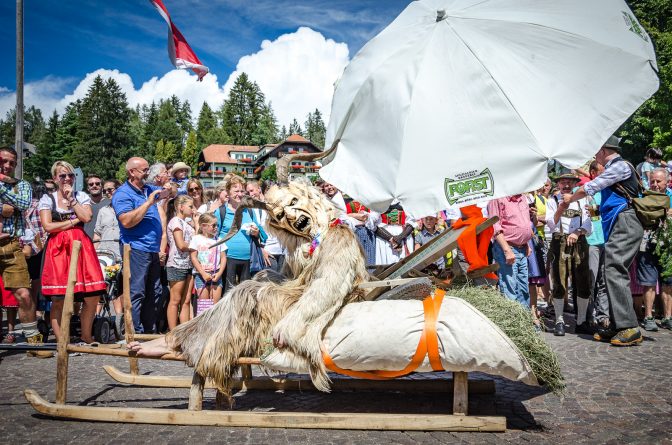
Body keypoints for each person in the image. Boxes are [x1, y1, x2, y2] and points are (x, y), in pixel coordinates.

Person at [562, 136, 644, 346]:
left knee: (614, 268)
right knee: (611, 270)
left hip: (626, 221)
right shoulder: (615, 167)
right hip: (619, 223)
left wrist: (571, 198)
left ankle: (629, 327)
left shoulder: (620, 166)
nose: (596, 156)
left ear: (605, 151)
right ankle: (618, 325)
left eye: (597, 152)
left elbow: (592, 186)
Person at [39, 161, 107, 343]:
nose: (67, 179)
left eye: (70, 175)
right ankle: (63, 339)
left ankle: (86, 335)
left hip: (82, 247)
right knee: (59, 298)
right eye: (62, 176)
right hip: (59, 251)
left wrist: (72, 200)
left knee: (92, 295)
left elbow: (86, 217)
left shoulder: (81, 196)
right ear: (55, 179)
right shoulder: (48, 199)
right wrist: (71, 222)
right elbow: (47, 226)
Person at [112, 157, 175, 334]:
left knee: (155, 291)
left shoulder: (148, 189)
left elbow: (170, 193)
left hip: (152, 249)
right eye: (144, 170)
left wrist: (169, 188)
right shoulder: (123, 194)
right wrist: (148, 203)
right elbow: (126, 221)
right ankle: (134, 332)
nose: (148, 173)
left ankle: (149, 330)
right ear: (132, 172)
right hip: (135, 248)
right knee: (137, 292)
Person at [545, 173, 592, 336]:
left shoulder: (582, 199)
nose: (566, 185)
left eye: (569, 182)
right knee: (559, 282)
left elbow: (588, 221)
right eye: (563, 182)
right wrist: (561, 207)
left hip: (579, 242)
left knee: (583, 281)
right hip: (559, 242)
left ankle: (581, 321)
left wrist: (578, 232)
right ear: (558, 185)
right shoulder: (552, 201)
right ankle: (559, 320)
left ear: (574, 184)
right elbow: (551, 224)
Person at [0, 146, 39, 342]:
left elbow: (24, 204)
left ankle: (33, 341)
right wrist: (3, 207)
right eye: (3, 161)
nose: (7, 166)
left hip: (11, 244)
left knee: (24, 294)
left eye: (11, 163)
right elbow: (9, 207)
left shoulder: (21, 184)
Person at [214, 176, 267, 293]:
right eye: (236, 191)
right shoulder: (220, 212)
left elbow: (260, 233)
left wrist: (256, 232)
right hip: (227, 258)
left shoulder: (249, 210)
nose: (239, 194)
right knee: (228, 292)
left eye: (242, 191)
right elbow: (213, 236)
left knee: (245, 293)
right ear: (228, 192)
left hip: (248, 259)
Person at [636, 168, 672, 331]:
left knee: (668, 283)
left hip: (668, 246)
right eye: (652, 181)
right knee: (648, 282)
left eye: (659, 181)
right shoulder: (644, 197)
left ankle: (667, 317)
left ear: (666, 181)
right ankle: (648, 316)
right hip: (647, 243)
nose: (655, 184)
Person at [487, 194, 534, 307]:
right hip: (507, 248)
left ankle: (524, 320)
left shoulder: (522, 198)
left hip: (522, 248)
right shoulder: (497, 198)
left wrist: (526, 243)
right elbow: (494, 226)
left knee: (523, 288)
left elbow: (523, 223)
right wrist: (507, 250)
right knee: (510, 289)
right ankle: (514, 322)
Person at [585, 161, 609, 330]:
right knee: (591, 279)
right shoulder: (586, 190)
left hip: (606, 240)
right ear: (593, 173)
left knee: (604, 280)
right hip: (591, 240)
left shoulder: (608, 190)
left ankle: (603, 315)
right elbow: (591, 215)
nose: (605, 175)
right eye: (602, 172)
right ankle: (589, 315)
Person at [166, 195, 195, 330]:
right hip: (177, 264)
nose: (193, 209)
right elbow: (181, 245)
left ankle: (183, 330)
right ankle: (173, 331)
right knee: (175, 300)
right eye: (190, 206)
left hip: (188, 264)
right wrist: (194, 247)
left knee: (186, 300)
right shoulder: (176, 221)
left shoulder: (187, 224)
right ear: (180, 207)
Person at [189, 213, 227, 302]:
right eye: (213, 225)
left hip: (216, 274)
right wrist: (203, 274)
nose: (216, 227)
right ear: (203, 226)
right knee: (204, 305)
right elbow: (193, 257)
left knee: (215, 305)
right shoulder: (196, 239)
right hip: (201, 275)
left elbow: (223, 258)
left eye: (217, 225)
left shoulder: (219, 240)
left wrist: (219, 273)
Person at [83, 174, 109, 240]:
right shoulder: (82, 204)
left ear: (102, 187)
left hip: (105, 244)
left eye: (97, 184)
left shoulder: (110, 203)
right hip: (86, 243)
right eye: (91, 184)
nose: (94, 186)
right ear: (88, 188)